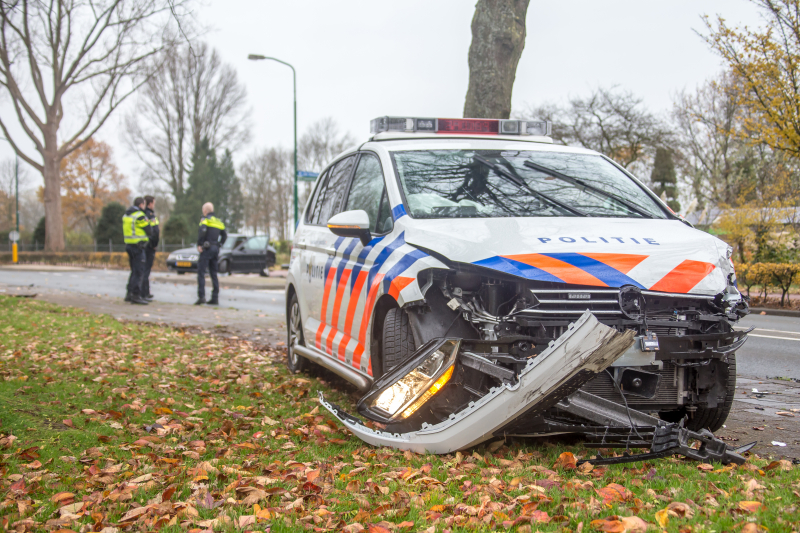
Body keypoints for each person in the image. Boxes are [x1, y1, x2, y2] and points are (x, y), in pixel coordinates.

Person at [122, 197, 152, 305]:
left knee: (134, 271)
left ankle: (129, 293)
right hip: (138, 247)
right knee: (139, 271)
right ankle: (136, 295)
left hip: (129, 246)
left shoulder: (126, 215)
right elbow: (149, 230)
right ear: (141, 205)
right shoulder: (139, 216)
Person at [196, 202, 227, 305]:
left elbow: (202, 232)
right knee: (214, 273)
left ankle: (202, 297)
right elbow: (225, 235)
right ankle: (215, 298)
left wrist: (200, 244)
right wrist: (219, 244)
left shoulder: (205, 220)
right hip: (215, 249)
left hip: (206, 248)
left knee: (201, 272)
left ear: (205, 211)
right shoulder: (219, 222)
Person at [142, 195, 159, 300]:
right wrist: (154, 244)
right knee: (146, 270)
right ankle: (144, 293)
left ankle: (146, 291)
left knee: (143, 269)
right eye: (154, 203)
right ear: (150, 204)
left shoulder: (142, 214)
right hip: (149, 246)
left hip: (143, 244)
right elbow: (155, 231)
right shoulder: (151, 215)